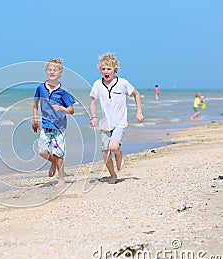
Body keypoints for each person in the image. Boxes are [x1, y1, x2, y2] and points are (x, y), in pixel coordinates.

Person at [89, 52, 144, 184]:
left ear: (115, 70)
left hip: (120, 122)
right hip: (105, 124)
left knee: (113, 147)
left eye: (108, 69)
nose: (105, 71)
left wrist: (139, 112)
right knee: (105, 153)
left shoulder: (123, 83)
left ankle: (119, 154)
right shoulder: (97, 84)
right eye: (103, 69)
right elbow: (92, 101)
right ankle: (113, 175)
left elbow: (136, 94)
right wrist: (94, 117)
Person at [32, 59, 76, 187]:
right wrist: (35, 119)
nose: (52, 72)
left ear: (60, 73)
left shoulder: (63, 91)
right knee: (42, 152)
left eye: (55, 70)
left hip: (59, 127)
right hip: (45, 126)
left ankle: (61, 179)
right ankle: (53, 162)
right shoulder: (40, 87)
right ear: (46, 72)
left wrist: (61, 108)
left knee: (59, 154)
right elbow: (35, 104)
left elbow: (71, 110)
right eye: (50, 70)